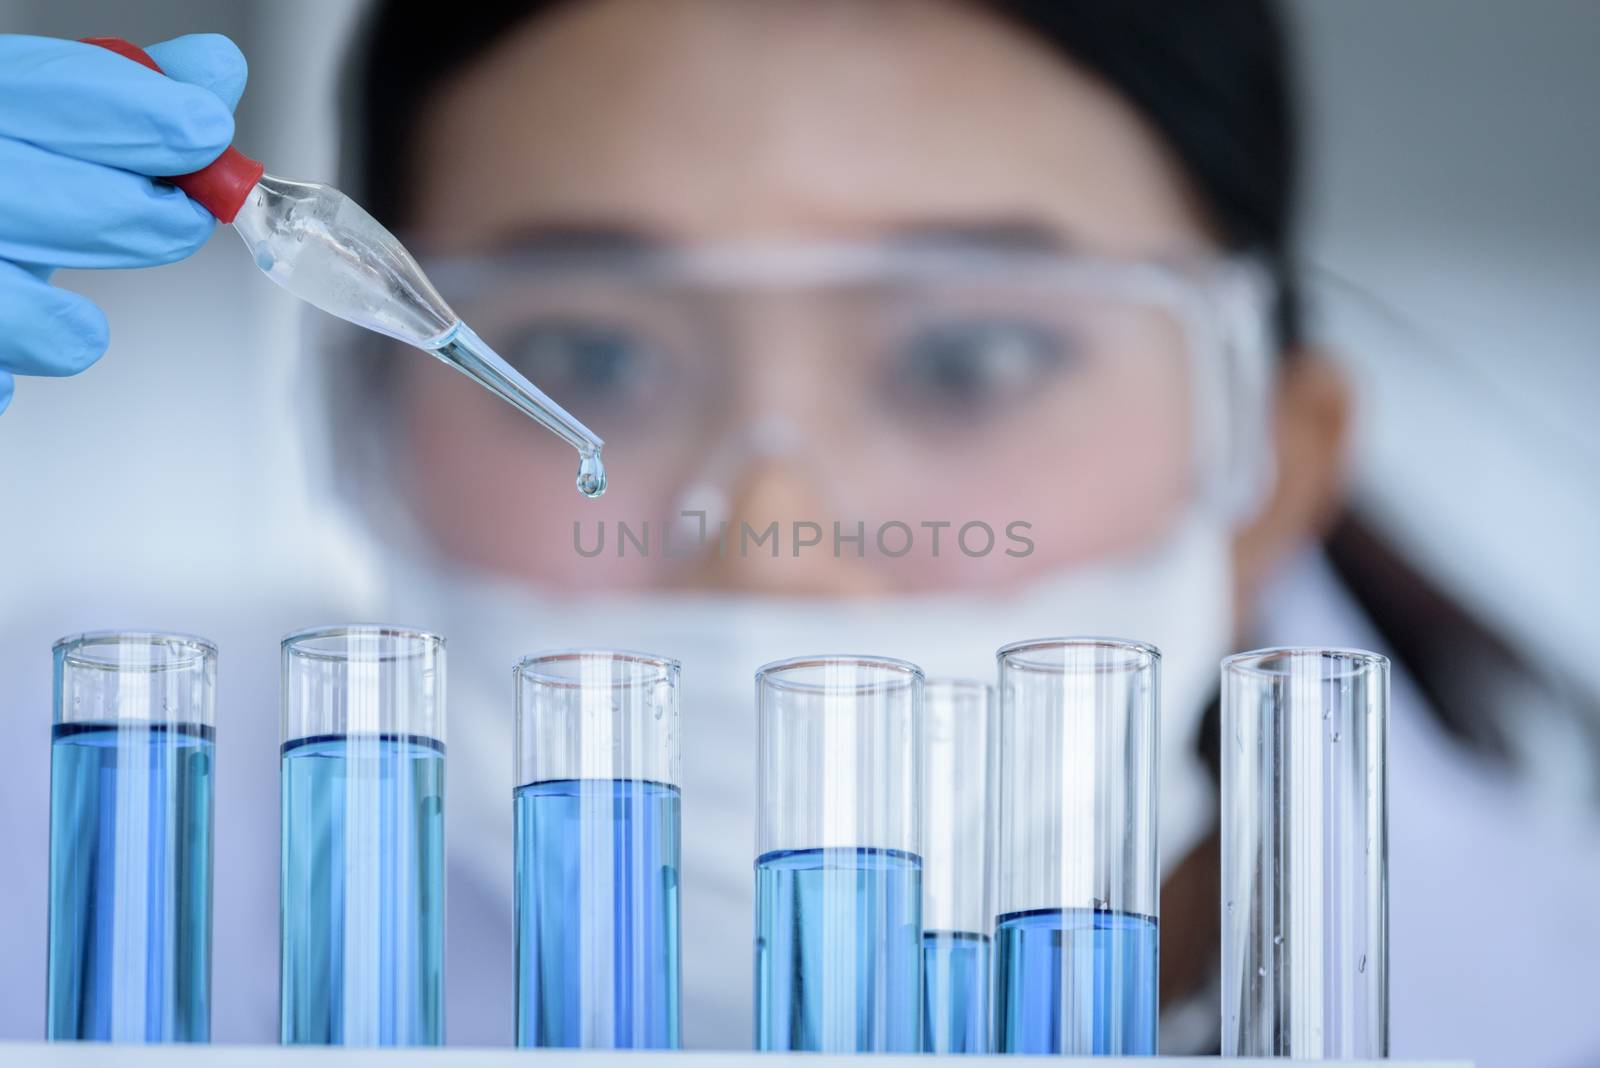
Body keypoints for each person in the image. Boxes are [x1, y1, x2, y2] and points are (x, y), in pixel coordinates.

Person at [3, 3, 1597, 1063]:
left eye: (972, 356)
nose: (773, 539)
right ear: (350, 430)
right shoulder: (61, 792)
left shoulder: (1551, 996)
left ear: (1275, 456)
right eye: (588, 355)